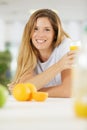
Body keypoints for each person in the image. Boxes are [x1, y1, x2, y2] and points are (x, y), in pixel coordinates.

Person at [8, 9, 76, 98]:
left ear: (54, 34)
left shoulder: (65, 45)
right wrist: (59, 65)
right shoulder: (29, 51)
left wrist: (31, 91)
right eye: (35, 29)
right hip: (41, 105)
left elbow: (68, 91)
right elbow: (24, 87)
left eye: (47, 30)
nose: (40, 35)